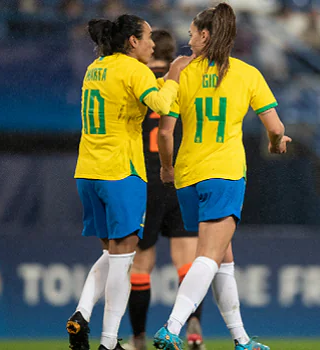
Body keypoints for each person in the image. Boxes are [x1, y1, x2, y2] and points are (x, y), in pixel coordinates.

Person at [152, 3, 291, 350]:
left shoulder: (180, 70)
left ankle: (241, 340)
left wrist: (167, 168)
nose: (188, 40)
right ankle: (171, 328)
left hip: (186, 176)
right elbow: (275, 127)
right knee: (210, 257)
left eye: (191, 34)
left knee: (223, 259)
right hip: (224, 174)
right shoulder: (247, 74)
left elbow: (165, 133)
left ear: (204, 35)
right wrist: (276, 144)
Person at [65, 14, 192, 350]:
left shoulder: (97, 66)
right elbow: (162, 104)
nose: (153, 43)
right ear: (132, 41)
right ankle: (106, 341)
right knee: (122, 263)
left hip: (88, 171)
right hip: (121, 172)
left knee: (112, 256)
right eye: (148, 37)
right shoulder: (134, 69)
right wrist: (174, 74)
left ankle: (85, 319)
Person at [126, 29, 205, 350]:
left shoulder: (137, 80)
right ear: (174, 53)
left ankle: (139, 338)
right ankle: (194, 330)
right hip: (183, 176)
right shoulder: (187, 81)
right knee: (187, 262)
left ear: (149, 49)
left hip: (146, 178)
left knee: (140, 264)